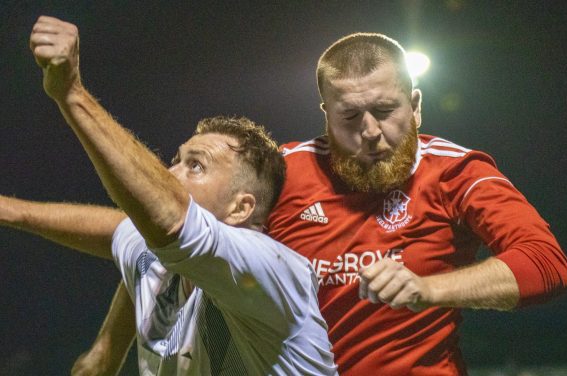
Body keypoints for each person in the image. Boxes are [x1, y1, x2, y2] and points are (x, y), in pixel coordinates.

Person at [72, 31, 567, 374]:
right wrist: (106, 348)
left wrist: (428, 288)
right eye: (350, 116)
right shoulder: (286, 170)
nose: (372, 132)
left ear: (415, 105)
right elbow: (168, 229)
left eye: (386, 110)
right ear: (325, 114)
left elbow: (546, 265)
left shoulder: (457, 172)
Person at [4, 15, 338, 375]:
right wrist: (9, 211)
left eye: (196, 166)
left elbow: (169, 220)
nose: (170, 174)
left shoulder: (267, 267)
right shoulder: (160, 260)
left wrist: (72, 93)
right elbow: (120, 228)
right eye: (175, 161)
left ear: (241, 208)